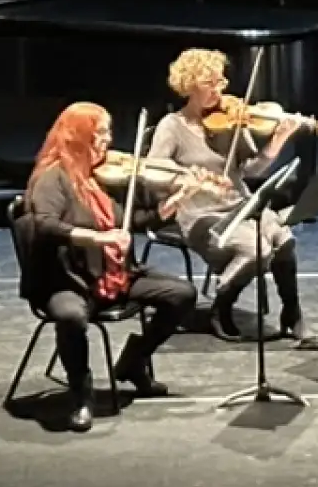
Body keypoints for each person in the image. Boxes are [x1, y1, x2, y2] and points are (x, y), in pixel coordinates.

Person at [15, 103, 196, 432]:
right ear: (78, 136)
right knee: (71, 317)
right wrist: (98, 239)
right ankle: (80, 394)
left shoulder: (96, 177)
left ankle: (134, 361)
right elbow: (44, 225)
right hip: (68, 279)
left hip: (111, 275)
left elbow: (130, 222)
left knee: (181, 294)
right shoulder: (53, 177)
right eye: (100, 133)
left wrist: (172, 204)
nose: (108, 140)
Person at [147, 48, 307, 340]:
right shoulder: (172, 126)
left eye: (220, 81)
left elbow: (251, 170)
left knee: (284, 239)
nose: (218, 90)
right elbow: (154, 173)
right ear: (189, 85)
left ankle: (291, 310)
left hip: (240, 204)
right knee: (255, 249)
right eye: (209, 83)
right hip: (199, 214)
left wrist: (277, 141)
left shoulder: (231, 119)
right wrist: (187, 179)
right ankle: (221, 308)